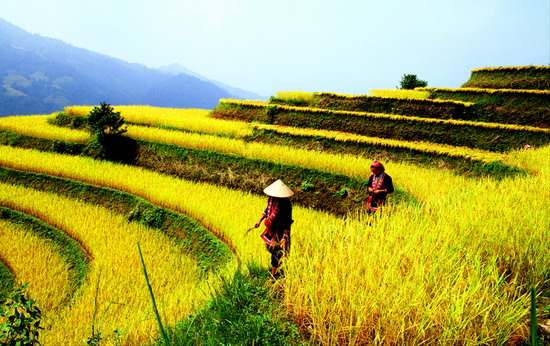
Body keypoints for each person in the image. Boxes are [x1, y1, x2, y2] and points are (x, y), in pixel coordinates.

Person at [253, 179, 294, 278]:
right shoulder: (271, 199)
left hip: (280, 230)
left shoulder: (286, 205)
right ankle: (276, 269)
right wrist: (259, 220)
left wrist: (284, 237)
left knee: (276, 251)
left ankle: (274, 274)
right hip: (271, 229)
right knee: (271, 250)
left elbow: (287, 221)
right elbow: (267, 210)